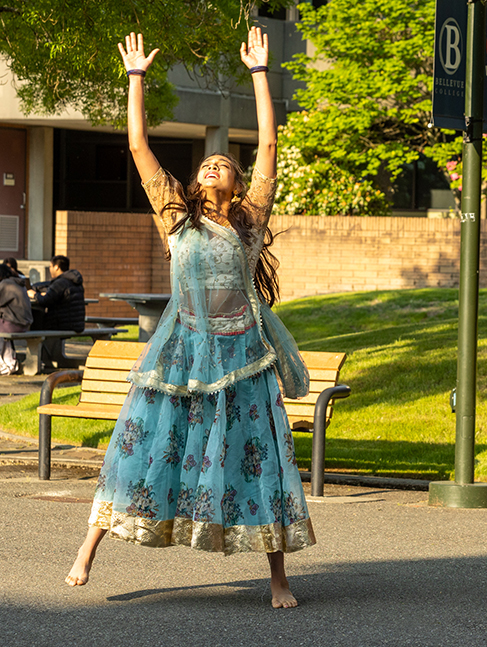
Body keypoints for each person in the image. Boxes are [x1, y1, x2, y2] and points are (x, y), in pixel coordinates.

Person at [65, 28, 314, 609]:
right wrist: (135, 80)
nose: (215, 166)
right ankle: (87, 549)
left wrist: (259, 74)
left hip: (242, 355)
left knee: (259, 455)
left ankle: (277, 578)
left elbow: (270, 152)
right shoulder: (176, 217)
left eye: (225, 164)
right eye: (207, 163)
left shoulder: (248, 221)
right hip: (181, 350)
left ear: (235, 182)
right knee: (141, 445)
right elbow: (138, 149)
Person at [27, 255, 85, 332]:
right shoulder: (74, 282)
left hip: (62, 324)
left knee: (36, 315)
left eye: (50, 266)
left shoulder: (59, 283)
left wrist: (34, 294)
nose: (50, 269)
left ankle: (33, 342)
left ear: (56, 267)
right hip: (77, 324)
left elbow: (44, 301)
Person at [0, 263, 33, 375]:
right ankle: (9, 362)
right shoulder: (19, 284)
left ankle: (4, 365)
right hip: (25, 325)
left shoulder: (5, 284)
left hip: (14, 325)